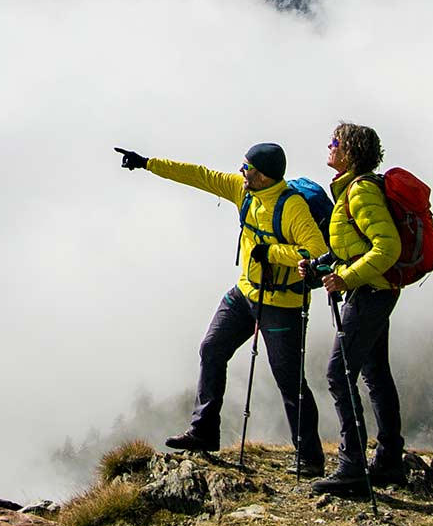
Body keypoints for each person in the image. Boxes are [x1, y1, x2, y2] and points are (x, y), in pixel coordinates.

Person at [115, 142, 330, 474]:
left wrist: (272, 253)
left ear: (264, 175)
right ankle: (203, 431)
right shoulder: (243, 191)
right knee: (212, 348)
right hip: (245, 292)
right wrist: (146, 163)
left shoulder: (292, 208)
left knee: (289, 381)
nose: (241, 172)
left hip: (282, 303)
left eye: (248, 168)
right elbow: (199, 175)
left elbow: (316, 252)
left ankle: (310, 459)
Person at [305, 122, 408, 496]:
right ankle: (389, 461)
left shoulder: (361, 190)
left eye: (335, 142)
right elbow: (353, 246)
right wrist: (321, 267)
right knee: (375, 374)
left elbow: (387, 247)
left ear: (349, 152)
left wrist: (346, 278)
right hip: (375, 291)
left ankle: (352, 467)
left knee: (339, 374)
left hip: (369, 293)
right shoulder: (352, 189)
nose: (329, 146)